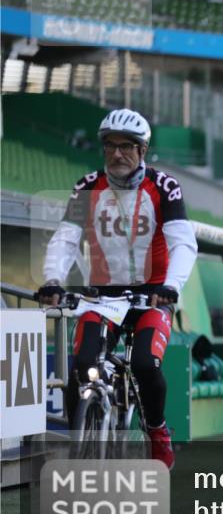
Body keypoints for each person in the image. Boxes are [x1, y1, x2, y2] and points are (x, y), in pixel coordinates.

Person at [38, 108, 198, 469]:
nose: (117, 153)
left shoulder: (164, 187)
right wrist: (52, 279)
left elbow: (182, 243)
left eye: (127, 146)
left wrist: (171, 286)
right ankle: (80, 446)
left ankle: (157, 430)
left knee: (144, 363)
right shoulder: (87, 186)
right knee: (81, 365)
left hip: (152, 294)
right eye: (110, 146)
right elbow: (66, 238)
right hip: (104, 296)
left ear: (142, 151)